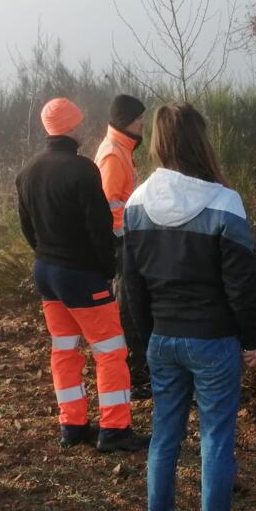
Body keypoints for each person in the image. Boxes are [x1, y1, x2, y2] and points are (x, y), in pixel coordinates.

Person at [123, 102, 256, 511]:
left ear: (159, 142)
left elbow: (132, 287)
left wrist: (146, 340)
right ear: (201, 141)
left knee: (165, 432)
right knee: (216, 436)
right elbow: (241, 284)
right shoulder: (224, 202)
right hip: (213, 340)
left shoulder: (136, 203)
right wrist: (250, 339)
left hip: (163, 338)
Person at [16, 97, 145, 453]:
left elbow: (27, 228)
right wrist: (106, 269)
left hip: (46, 272)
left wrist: (47, 253)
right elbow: (99, 228)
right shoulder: (82, 170)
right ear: (73, 127)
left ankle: (72, 425)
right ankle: (115, 430)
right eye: (80, 121)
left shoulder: (28, 171)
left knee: (64, 349)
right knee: (111, 351)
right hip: (81, 275)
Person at [94, 94, 150, 396]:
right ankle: (134, 374)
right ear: (126, 120)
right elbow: (109, 205)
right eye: (139, 118)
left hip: (126, 241)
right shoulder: (114, 154)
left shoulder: (121, 149)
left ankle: (136, 370)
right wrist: (127, 236)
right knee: (127, 307)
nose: (143, 122)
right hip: (121, 244)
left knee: (131, 305)